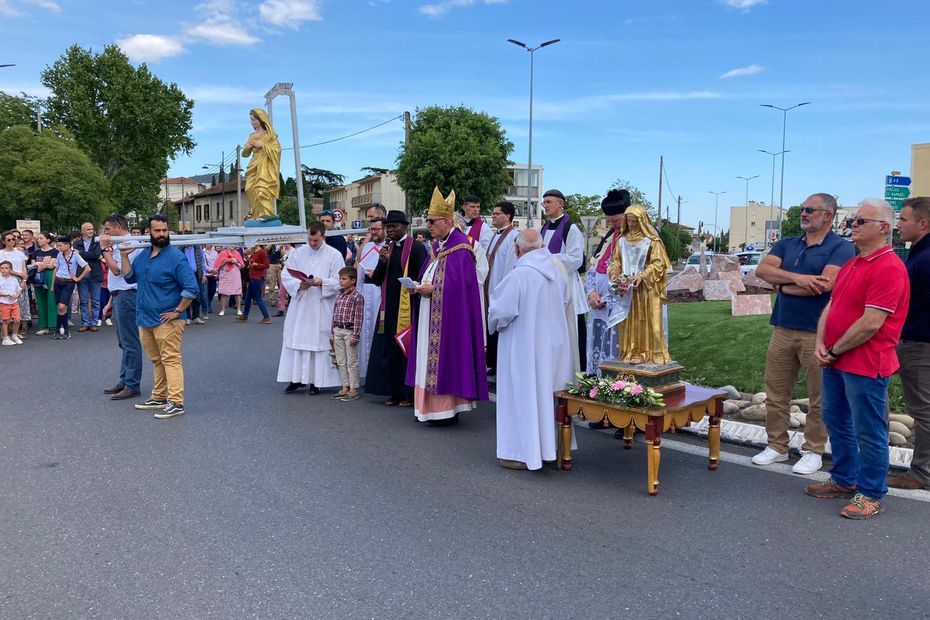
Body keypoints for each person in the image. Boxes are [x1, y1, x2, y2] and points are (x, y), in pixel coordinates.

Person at [805, 199, 909, 519]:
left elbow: (871, 323)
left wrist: (835, 350)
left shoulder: (889, 267)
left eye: (861, 221)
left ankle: (872, 492)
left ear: (883, 228)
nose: (853, 225)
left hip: (866, 362)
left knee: (869, 428)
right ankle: (845, 478)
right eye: (853, 220)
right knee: (836, 419)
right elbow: (831, 306)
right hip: (836, 359)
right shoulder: (853, 263)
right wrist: (821, 342)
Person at [752, 193, 857, 474]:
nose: (804, 214)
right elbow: (763, 271)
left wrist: (782, 284)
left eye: (810, 210)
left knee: (819, 396)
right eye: (802, 209)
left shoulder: (841, 248)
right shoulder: (787, 243)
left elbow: (824, 284)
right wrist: (797, 279)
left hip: (818, 333)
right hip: (783, 328)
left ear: (827, 215)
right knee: (775, 391)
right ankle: (777, 446)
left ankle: (813, 450)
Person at [489, 229, 574, 469]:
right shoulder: (557, 272)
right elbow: (566, 301)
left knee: (523, 396)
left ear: (517, 250)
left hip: (523, 347)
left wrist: (493, 323)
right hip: (553, 347)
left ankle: (521, 452)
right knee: (547, 395)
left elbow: (500, 312)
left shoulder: (519, 276)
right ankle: (552, 447)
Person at [406, 187, 488, 423]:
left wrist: (435, 289)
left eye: (432, 222)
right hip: (428, 314)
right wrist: (419, 286)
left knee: (446, 360)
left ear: (446, 221)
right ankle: (426, 408)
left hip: (448, 320)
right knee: (426, 358)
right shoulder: (437, 247)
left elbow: (462, 289)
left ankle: (445, 411)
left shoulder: (461, 248)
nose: (428, 226)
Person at [120, 215, 200, 419]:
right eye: (158, 231)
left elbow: (191, 288)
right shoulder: (144, 255)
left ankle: (176, 402)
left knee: (170, 359)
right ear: (149, 232)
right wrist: (124, 256)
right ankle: (159, 396)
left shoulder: (175, 256)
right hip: (145, 318)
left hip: (168, 319)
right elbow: (129, 277)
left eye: (165, 230)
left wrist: (178, 311)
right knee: (157, 360)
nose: (162, 234)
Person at [888, 197, 930, 490]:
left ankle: (922, 473)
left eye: (903, 219)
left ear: (923, 223)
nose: (898, 225)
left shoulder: (927, 259)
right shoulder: (919, 252)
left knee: (924, 410)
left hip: (920, 343)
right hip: (915, 340)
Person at [365, 210, 428, 406]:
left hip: (409, 307)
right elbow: (376, 280)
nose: (391, 230)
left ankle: (408, 393)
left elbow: (424, 277)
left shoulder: (416, 248)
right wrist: (382, 262)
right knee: (390, 349)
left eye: (394, 226)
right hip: (388, 308)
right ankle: (393, 392)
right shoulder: (387, 249)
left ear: (405, 227)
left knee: (406, 350)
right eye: (388, 227)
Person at [277, 221, 345, 395]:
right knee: (297, 340)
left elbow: (340, 280)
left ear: (323, 236)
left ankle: (317, 381)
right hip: (302, 304)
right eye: (310, 239)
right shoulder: (298, 253)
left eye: (316, 240)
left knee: (319, 342)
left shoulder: (334, 255)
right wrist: (299, 284)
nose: (312, 243)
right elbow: (286, 275)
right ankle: (296, 379)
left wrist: (321, 282)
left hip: (322, 304)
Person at [606, 205, 673, 366]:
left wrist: (642, 276)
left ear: (642, 221)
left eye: (634, 221)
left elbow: (658, 263)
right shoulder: (621, 241)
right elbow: (616, 260)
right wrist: (615, 273)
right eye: (628, 221)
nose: (631, 224)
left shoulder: (652, 242)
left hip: (646, 290)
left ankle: (648, 353)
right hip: (627, 289)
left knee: (646, 322)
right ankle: (630, 351)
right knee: (629, 321)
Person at [539, 189, 591, 371]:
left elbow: (576, 258)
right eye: (543, 202)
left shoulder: (571, 228)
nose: (544, 205)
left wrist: (549, 260)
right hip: (549, 286)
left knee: (573, 333)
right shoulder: (543, 228)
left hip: (568, 287)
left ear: (560, 203)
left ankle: (577, 372)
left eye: (548, 202)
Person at [99, 214, 143, 401]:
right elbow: (115, 278)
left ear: (118, 227)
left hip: (128, 296)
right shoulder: (118, 243)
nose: (105, 233)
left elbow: (118, 270)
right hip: (119, 296)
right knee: (123, 342)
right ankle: (125, 380)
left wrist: (105, 251)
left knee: (130, 342)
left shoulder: (130, 243)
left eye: (108, 229)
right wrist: (110, 301)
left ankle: (132, 384)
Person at [586, 189, 630, 374]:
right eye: (609, 221)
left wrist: (611, 296)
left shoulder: (643, 238)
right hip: (601, 307)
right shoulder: (611, 236)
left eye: (616, 221)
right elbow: (593, 269)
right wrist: (591, 292)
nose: (612, 225)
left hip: (624, 309)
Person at [484, 201, 519, 376]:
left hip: (501, 286)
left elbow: (510, 265)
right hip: (490, 287)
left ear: (507, 216)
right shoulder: (494, 235)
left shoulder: (513, 237)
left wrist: (503, 290)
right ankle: (492, 362)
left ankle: (500, 364)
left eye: (497, 213)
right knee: (491, 325)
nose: (493, 216)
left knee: (500, 327)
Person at [356, 217, 387, 386]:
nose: (373, 232)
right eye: (371, 229)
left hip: (380, 293)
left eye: (376, 229)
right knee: (365, 333)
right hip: (366, 293)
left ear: (384, 229)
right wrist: (358, 295)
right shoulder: (368, 247)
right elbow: (360, 275)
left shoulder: (389, 248)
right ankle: (366, 373)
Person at [331, 266, 364, 402]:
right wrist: (332, 332)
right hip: (337, 330)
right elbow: (334, 313)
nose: (341, 281)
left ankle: (354, 389)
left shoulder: (357, 297)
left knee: (351, 362)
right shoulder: (339, 294)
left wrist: (355, 334)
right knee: (340, 361)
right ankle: (345, 386)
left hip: (349, 331)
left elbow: (358, 317)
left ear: (353, 280)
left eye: (344, 279)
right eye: (340, 278)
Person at [243, 108, 282, 221]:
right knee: (249, 188)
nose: (252, 122)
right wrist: (247, 147)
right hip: (253, 165)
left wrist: (262, 145)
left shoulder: (270, 135)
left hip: (265, 166)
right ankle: (255, 214)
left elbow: (277, 150)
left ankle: (266, 214)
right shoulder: (252, 136)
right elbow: (244, 154)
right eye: (251, 120)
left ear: (261, 119)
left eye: (254, 120)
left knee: (262, 190)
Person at [53, 235, 90, 340]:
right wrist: (52, 284)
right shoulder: (59, 254)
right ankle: (61, 331)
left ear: (67, 245)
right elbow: (56, 269)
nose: (58, 247)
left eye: (60, 245)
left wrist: (78, 278)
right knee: (61, 309)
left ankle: (62, 330)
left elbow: (87, 268)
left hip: (68, 283)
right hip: (58, 281)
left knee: (62, 306)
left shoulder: (76, 255)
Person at [73, 222, 103, 332]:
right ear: (83, 231)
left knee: (96, 300)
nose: (91, 231)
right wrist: (87, 254)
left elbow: (96, 255)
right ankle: (85, 323)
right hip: (81, 273)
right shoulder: (76, 242)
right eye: (88, 229)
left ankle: (94, 323)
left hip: (95, 273)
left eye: (92, 229)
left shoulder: (97, 241)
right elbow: (76, 256)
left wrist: (81, 253)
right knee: (83, 300)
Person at [0, 231, 28, 339]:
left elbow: (24, 266)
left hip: (20, 279)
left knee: (18, 305)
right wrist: (19, 274)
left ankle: (16, 332)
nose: (12, 241)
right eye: (9, 239)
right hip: (7, 279)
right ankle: (5, 332)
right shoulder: (1, 253)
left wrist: (24, 278)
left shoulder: (20, 253)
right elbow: (4, 269)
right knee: (6, 305)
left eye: (13, 239)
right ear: (3, 241)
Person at [30, 232, 58, 336]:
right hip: (38, 276)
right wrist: (40, 265)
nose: (39, 240)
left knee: (51, 300)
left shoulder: (55, 252)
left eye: (41, 238)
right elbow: (32, 265)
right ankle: (43, 326)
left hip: (50, 276)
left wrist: (39, 264)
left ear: (48, 240)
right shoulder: (36, 253)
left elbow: (51, 265)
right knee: (40, 300)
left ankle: (54, 325)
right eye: (38, 238)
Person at [238, 243, 271, 323]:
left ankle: (266, 317)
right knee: (248, 298)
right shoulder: (254, 252)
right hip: (253, 277)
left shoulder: (262, 252)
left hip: (258, 277)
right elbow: (251, 262)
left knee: (258, 298)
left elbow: (266, 265)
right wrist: (248, 259)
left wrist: (256, 265)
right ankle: (245, 315)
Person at [214, 246, 244, 316]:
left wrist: (235, 262)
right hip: (225, 274)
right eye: (231, 245)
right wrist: (226, 261)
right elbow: (218, 266)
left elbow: (241, 266)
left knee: (237, 292)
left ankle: (239, 309)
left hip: (235, 274)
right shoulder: (222, 253)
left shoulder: (237, 253)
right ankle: (222, 310)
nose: (232, 247)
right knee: (224, 293)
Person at [0, 260, 24, 345]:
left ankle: (14, 335)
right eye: (2, 268)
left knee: (17, 320)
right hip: (4, 303)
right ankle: (5, 339)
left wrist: (16, 295)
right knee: (5, 321)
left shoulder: (14, 280)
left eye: (6, 268)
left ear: (10, 270)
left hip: (14, 303)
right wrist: (7, 294)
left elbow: (19, 290)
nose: (4, 270)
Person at [182, 244, 207, 324]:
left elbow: (202, 261)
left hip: (197, 274)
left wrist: (204, 274)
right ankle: (187, 317)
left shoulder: (198, 247)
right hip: (185, 275)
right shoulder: (180, 248)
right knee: (186, 295)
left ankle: (196, 316)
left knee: (197, 295)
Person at [203, 245, 218, 314]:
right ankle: (208, 306)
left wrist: (215, 270)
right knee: (207, 291)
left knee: (213, 290)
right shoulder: (202, 252)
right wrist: (211, 270)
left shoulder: (215, 252)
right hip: (206, 274)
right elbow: (204, 264)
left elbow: (217, 262)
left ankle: (209, 302)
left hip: (214, 273)